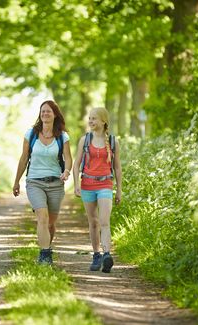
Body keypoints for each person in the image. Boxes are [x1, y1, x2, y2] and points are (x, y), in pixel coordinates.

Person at [13, 100, 72, 265]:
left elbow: (68, 158)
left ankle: (47, 247)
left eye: (48, 111)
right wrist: (16, 181)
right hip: (34, 182)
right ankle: (45, 254)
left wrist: (66, 171)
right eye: (43, 111)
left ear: (55, 115)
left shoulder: (62, 136)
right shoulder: (31, 134)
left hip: (55, 183)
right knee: (43, 218)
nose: (45, 114)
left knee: (51, 223)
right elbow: (24, 158)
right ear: (40, 114)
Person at [72, 107, 122, 273]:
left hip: (105, 185)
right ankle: (96, 255)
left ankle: (107, 254)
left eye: (94, 119)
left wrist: (119, 190)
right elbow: (76, 164)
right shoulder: (84, 140)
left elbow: (117, 168)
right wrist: (76, 185)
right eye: (90, 118)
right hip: (87, 185)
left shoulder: (114, 142)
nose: (91, 121)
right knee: (93, 222)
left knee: (104, 221)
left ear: (103, 121)